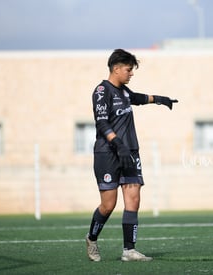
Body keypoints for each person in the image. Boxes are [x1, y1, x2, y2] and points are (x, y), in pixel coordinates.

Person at [86, 49, 178, 262]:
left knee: (133, 200)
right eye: (128, 69)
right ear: (116, 68)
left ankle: (129, 250)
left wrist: (160, 99)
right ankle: (91, 239)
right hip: (107, 153)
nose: (131, 73)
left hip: (130, 152)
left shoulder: (125, 92)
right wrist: (118, 143)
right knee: (109, 205)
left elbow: (138, 97)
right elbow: (101, 122)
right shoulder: (101, 91)